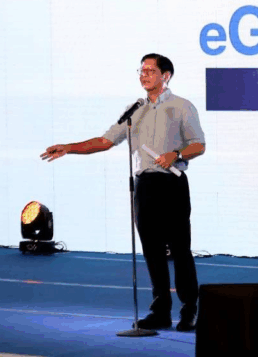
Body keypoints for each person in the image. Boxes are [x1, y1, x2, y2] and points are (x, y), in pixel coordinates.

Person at [40, 54, 206, 332]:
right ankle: (160, 311)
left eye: (150, 71)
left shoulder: (182, 107)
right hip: (144, 186)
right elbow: (105, 141)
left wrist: (175, 153)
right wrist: (69, 147)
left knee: (180, 250)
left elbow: (199, 145)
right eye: (141, 71)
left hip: (172, 184)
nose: (144, 76)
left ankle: (189, 311)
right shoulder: (134, 110)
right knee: (152, 250)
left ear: (166, 75)